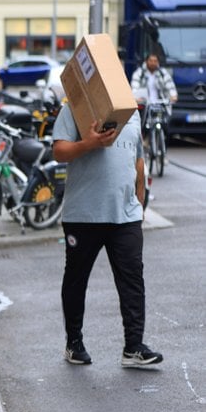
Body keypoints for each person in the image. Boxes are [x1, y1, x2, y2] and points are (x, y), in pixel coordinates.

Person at [52, 102, 164, 367]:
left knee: (133, 279)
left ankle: (134, 347)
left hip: (126, 215)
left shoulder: (131, 111)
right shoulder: (74, 108)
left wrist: (140, 200)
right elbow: (58, 151)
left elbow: (137, 159)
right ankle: (74, 343)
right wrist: (88, 143)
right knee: (76, 280)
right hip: (84, 214)